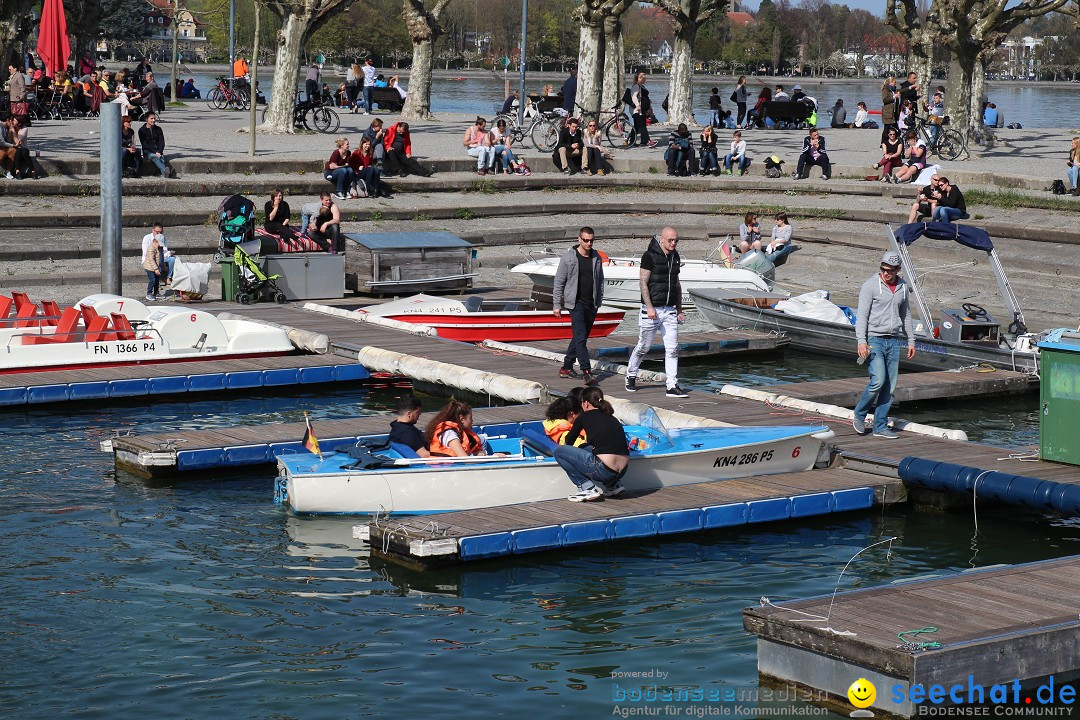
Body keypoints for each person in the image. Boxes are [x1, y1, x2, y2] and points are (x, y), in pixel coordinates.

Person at [853, 251, 916, 439]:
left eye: (890, 270)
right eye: (883, 269)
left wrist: (911, 340)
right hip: (874, 340)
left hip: (894, 341)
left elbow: (906, 315)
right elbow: (862, 316)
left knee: (890, 387)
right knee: (878, 381)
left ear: (898, 270)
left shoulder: (903, 287)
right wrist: (861, 341)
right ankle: (859, 414)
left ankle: (880, 426)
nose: (886, 273)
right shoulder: (870, 286)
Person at [625, 227, 687, 398]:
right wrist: (649, 307)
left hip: (669, 310)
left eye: (676, 240)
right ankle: (631, 374)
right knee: (644, 346)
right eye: (670, 240)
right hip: (651, 309)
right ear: (662, 240)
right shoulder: (649, 256)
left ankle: (672, 385)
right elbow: (643, 283)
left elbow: (677, 285)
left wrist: (679, 309)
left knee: (673, 348)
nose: (673, 243)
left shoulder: (675, 256)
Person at [554, 386, 628, 502]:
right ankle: (614, 485)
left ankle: (586, 488)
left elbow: (569, 442)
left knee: (559, 452)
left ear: (586, 403)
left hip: (603, 470)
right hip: (622, 470)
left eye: (581, 402)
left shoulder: (583, 416)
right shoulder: (612, 417)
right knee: (584, 447)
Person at [553, 226, 604, 385]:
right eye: (586, 240)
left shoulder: (596, 257)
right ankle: (586, 371)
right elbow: (559, 282)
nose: (589, 244)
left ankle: (566, 367)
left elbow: (600, 280)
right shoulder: (568, 258)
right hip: (575, 303)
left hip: (592, 303)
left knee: (580, 337)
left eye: (591, 241)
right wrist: (557, 304)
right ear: (579, 239)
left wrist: (599, 301)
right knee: (581, 338)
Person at [138, 112, 174, 178]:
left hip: (158, 150)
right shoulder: (142, 130)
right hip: (148, 151)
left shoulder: (158, 129)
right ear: (146, 119)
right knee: (156, 157)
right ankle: (166, 171)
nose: (153, 120)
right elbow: (144, 145)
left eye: (154, 118)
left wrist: (160, 151)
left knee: (160, 157)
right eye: (151, 118)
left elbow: (162, 142)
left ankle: (165, 173)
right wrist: (155, 152)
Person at [628, 72, 655, 148]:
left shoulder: (641, 86)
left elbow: (646, 98)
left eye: (645, 78)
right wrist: (637, 105)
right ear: (638, 78)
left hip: (642, 110)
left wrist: (649, 108)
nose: (644, 80)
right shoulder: (636, 86)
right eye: (643, 78)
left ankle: (633, 141)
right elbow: (634, 96)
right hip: (637, 111)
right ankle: (647, 141)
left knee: (636, 126)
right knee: (642, 126)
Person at [143, 233, 163, 302]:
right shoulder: (151, 248)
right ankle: (149, 293)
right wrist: (156, 269)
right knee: (152, 280)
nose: (160, 245)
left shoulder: (159, 248)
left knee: (157, 280)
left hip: (156, 267)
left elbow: (160, 258)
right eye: (159, 243)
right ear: (155, 241)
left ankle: (156, 293)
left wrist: (162, 266)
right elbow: (151, 260)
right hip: (150, 268)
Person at [880, 76, 899, 142]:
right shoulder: (885, 89)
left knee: (895, 128)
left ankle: (893, 142)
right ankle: (883, 143)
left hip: (893, 112)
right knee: (887, 128)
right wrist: (894, 97)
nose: (895, 84)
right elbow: (884, 100)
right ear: (890, 82)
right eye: (894, 82)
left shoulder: (894, 90)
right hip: (887, 112)